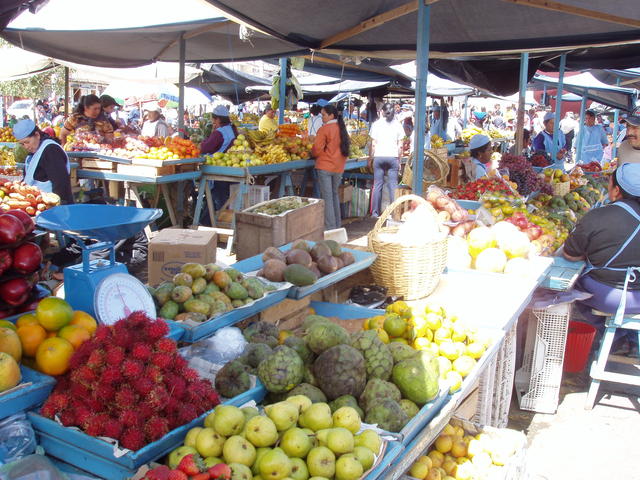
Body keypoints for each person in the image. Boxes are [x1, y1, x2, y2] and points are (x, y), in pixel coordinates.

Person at [563, 163, 640, 356]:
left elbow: (570, 255)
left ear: (616, 190)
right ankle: (628, 338)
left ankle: (616, 335)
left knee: (574, 285)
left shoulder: (598, 216)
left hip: (612, 298)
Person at [13, 119, 73, 204]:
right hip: (38, 205)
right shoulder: (34, 153)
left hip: (54, 208)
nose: (25, 147)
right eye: (22, 144)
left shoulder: (51, 150)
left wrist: (61, 209)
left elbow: (61, 185)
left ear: (37, 135)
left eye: (27, 142)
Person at [311, 104, 350, 230]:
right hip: (338, 167)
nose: (321, 117)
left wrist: (313, 154)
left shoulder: (324, 129)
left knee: (327, 198)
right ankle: (337, 226)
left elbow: (317, 149)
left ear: (331, 115)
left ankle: (330, 228)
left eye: (323, 115)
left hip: (325, 166)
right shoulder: (341, 128)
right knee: (334, 195)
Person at [368, 103, 405, 217]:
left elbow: (373, 144)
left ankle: (375, 213)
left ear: (382, 112)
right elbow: (400, 146)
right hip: (392, 157)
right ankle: (394, 213)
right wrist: (398, 159)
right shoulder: (398, 125)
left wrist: (370, 158)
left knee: (377, 185)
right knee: (392, 185)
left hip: (379, 157)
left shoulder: (376, 124)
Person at [200, 105, 238, 211]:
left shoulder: (218, 133)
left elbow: (205, 147)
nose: (213, 121)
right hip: (231, 167)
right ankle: (209, 220)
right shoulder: (232, 128)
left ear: (218, 119)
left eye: (214, 119)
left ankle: (214, 221)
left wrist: (201, 143)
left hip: (218, 170)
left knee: (218, 199)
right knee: (223, 199)